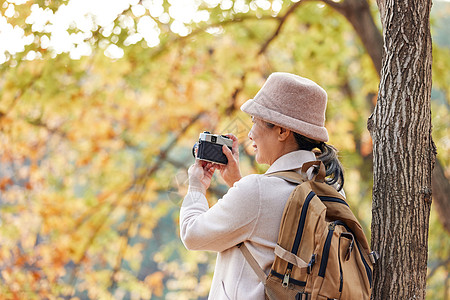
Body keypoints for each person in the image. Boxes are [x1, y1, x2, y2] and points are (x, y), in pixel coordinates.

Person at [179, 72, 345, 300]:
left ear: (282, 131)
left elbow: (192, 235)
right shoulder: (333, 190)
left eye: (255, 121)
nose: (250, 134)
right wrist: (237, 184)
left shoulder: (256, 191)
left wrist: (197, 188)